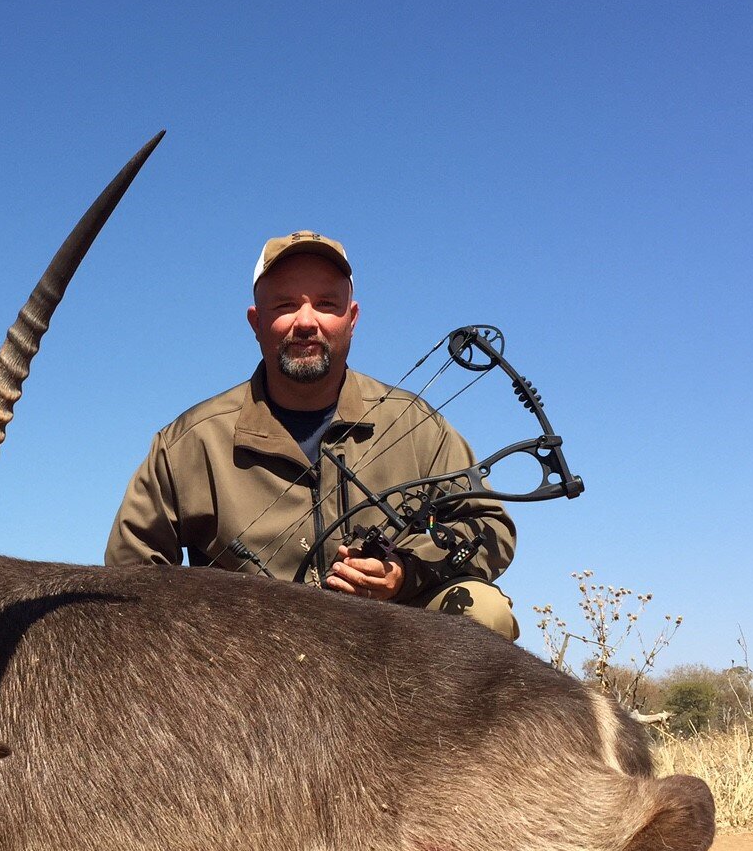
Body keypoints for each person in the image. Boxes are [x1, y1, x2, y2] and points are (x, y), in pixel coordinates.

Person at [105, 230, 520, 640]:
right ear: (256, 322)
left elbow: (489, 526)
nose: (306, 321)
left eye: (326, 304)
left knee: (484, 611)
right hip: (246, 664)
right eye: (285, 305)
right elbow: (130, 574)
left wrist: (405, 572)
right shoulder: (189, 442)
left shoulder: (418, 425)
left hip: (390, 646)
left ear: (351, 318)